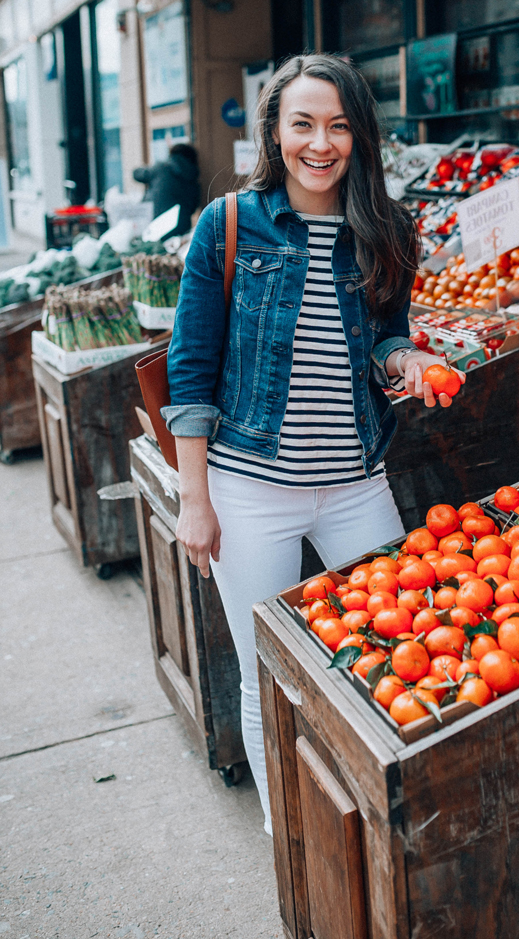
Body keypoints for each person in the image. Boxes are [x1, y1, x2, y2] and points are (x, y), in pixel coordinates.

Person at [162, 54, 464, 827]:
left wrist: (409, 358)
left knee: (404, 645)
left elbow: (384, 339)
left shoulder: (386, 229)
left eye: (337, 125)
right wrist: (193, 502)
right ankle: (294, 852)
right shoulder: (228, 225)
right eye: (302, 124)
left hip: (357, 485)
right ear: (275, 130)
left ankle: (378, 834)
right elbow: (190, 371)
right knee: (271, 677)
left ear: (360, 135)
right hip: (249, 491)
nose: (319, 143)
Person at [133, 142, 200, 237]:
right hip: (181, 228)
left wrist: (144, 167)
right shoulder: (193, 178)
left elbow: (137, 175)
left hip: (155, 224)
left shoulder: (161, 167)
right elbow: (193, 207)